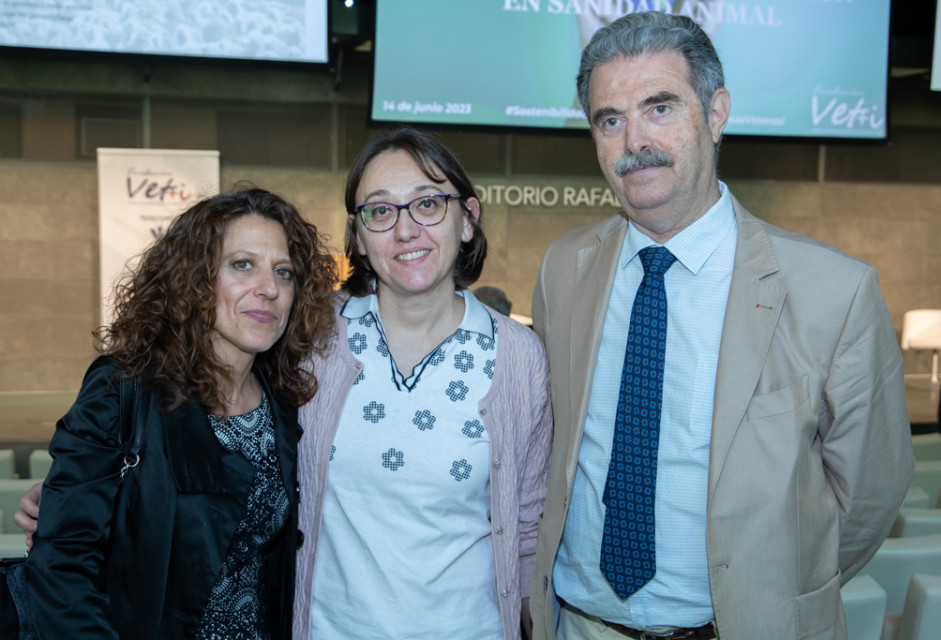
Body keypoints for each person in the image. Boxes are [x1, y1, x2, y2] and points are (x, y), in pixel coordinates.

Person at [530, 12, 913, 640]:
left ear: (716, 112)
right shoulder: (563, 270)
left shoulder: (834, 293)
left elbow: (869, 496)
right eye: (610, 120)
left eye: (660, 108)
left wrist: (773, 590)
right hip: (581, 626)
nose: (634, 143)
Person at [18, 187, 338, 639]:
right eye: (242, 264)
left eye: (284, 272)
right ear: (195, 277)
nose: (269, 288)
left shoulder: (286, 402)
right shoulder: (124, 388)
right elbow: (61, 568)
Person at [292, 128, 553, 640]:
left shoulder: (518, 357)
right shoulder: (315, 339)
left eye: (428, 204)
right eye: (381, 211)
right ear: (359, 237)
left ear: (467, 221)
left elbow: (527, 526)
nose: (406, 230)